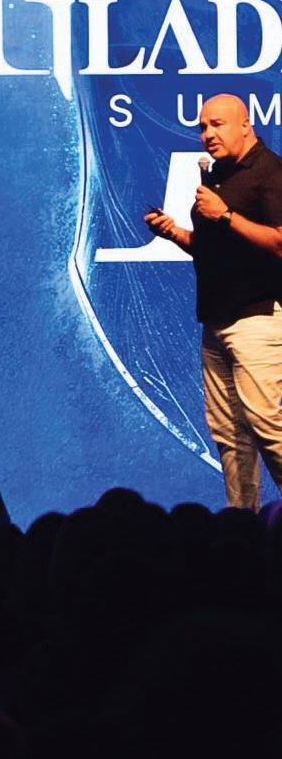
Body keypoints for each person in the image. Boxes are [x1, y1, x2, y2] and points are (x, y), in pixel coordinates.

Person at [144, 94, 282, 508]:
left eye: (217, 124)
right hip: (216, 320)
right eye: (203, 127)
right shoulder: (217, 177)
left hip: (258, 316)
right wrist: (175, 233)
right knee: (229, 436)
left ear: (246, 125)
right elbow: (212, 249)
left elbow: (279, 242)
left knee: (267, 425)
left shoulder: (270, 172)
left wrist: (224, 215)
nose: (207, 134)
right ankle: (243, 527)